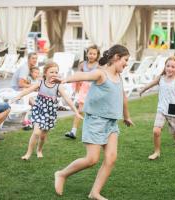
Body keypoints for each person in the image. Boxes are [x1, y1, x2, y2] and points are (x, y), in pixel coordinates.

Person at [52, 44, 134, 199]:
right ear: (116, 57)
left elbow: (123, 97)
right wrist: (64, 79)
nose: (127, 63)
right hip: (96, 121)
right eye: (125, 60)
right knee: (92, 159)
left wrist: (127, 116)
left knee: (111, 158)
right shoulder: (101, 73)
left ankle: (94, 192)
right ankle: (62, 174)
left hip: (111, 123)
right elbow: (82, 76)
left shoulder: (119, 76)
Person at [11, 61, 82, 160]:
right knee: (36, 132)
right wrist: (18, 96)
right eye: (51, 72)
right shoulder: (40, 83)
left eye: (56, 72)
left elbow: (67, 99)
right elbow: (28, 90)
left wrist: (76, 111)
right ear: (45, 73)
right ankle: (28, 153)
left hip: (50, 113)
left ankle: (39, 150)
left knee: (43, 136)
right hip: (39, 110)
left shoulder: (58, 86)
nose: (54, 74)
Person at [65, 45, 100, 139]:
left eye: (94, 54)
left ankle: (94, 131)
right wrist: (76, 89)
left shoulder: (98, 66)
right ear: (87, 54)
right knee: (80, 110)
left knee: (92, 111)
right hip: (84, 90)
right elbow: (77, 76)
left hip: (94, 89)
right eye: (90, 53)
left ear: (97, 55)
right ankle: (73, 131)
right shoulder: (82, 64)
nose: (92, 55)